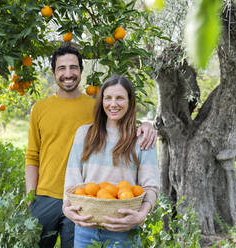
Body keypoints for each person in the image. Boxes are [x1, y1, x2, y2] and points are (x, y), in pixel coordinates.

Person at [25, 46, 157, 248]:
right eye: (61, 68)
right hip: (50, 197)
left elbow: (118, 117)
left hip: (90, 203)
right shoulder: (42, 110)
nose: (67, 73)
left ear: (81, 70)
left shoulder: (94, 106)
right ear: (53, 72)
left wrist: (147, 125)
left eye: (73, 67)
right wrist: (30, 198)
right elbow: (32, 156)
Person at [63, 75, 160, 248]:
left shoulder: (142, 138)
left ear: (130, 101)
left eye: (120, 98)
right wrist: (66, 209)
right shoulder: (84, 134)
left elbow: (150, 187)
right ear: (101, 101)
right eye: (108, 98)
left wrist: (140, 216)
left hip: (124, 229)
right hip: (86, 229)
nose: (113, 104)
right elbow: (72, 180)